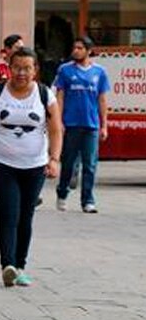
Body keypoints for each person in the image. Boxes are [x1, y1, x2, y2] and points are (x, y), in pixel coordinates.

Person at [0, 47, 62, 287]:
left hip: (34, 165)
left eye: (27, 68)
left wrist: (54, 159)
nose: (22, 73)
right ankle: (7, 265)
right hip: (2, 163)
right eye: (17, 68)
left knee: (26, 216)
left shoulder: (45, 95)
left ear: (35, 70)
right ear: (9, 69)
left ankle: (20, 265)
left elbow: (55, 129)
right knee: (9, 213)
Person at [54, 36, 109, 214]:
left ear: (88, 51)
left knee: (90, 164)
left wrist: (104, 125)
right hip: (71, 123)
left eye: (79, 48)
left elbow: (102, 99)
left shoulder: (99, 72)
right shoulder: (65, 70)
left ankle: (88, 200)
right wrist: (58, 120)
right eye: (74, 47)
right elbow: (60, 96)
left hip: (91, 124)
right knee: (68, 163)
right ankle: (62, 193)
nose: (75, 51)